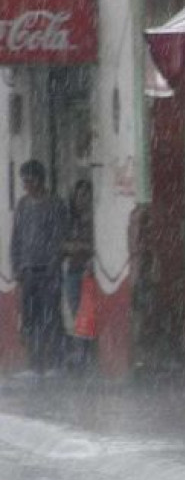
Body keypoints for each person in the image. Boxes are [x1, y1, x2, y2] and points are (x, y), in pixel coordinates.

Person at [10, 160, 68, 379]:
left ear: (39, 180)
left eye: (29, 180)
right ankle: (34, 364)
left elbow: (59, 238)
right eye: (24, 181)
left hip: (48, 271)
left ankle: (55, 362)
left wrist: (53, 265)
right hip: (27, 272)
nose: (26, 185)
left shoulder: (55, 204)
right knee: (30, 319)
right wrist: (16, 266)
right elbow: (16, 238)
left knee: (51, 317)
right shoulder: (23, 206)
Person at [63, 179, 96, 372]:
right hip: (73, 271)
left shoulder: (94, 220)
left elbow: (94, 247)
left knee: (88, 314)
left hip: (89, 273)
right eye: (79, 195)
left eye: (86, 195)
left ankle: (87, 354)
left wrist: (81, 248)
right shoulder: (70, 221)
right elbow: (62, 244)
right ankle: (80, 354)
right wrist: (74, 247)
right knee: (77, 313)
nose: (82, 199)